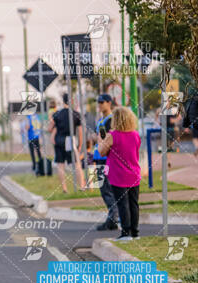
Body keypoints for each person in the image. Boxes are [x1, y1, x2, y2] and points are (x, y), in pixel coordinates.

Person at [98, 107, 141, 241]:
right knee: (134, 204)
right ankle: (135, 232)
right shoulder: (135, 134)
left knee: (123, 204)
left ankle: (126, 233)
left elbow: (101, 152)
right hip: (134, 173)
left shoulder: (112, 135)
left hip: (118, 175)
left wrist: (101, 139)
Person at [48, 93, 86, 193]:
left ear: (63, 101)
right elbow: (80, 132)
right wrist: (80, 145)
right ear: (71, 101)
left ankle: (64, 189)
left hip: (59, 140)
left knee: (60, 165)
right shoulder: (76, 114)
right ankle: (81, 186)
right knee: (77, 164)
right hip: (70, 140)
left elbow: (49, 128)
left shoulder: (57, 114)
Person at [92, 94, 119, 231]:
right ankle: (112, 217)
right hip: (99, 158)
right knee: (104, 189)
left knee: (106, 189)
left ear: (109, 102)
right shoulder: (102, 120)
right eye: (98, 102)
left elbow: (109, 140)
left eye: (102, 102)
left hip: (106, 159)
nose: (100, 104)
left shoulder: (111, 120)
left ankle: (113, 217)